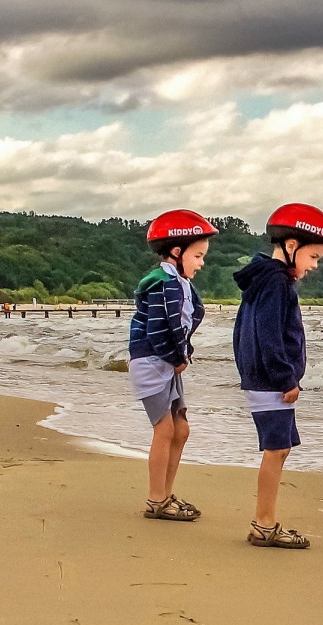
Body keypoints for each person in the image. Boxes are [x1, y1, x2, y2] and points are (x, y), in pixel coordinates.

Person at [233, 202, 323, 549]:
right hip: (271, 382)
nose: (314, 265)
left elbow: (243, 334)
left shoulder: (264, 280)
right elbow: (268, 335)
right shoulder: (276, 284)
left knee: (279, 449)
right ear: (291, 246)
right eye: (313, 256)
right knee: (276, 450)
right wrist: (285, 379)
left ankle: (264, 522)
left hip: (261, 378)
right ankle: (264, 524)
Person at [128, 209, 217, 522]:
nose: (201, 263)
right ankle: (156, 499)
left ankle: (165, 495)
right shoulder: (163, 284)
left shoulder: (180, 283)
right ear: (177, 252)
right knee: (165, 429)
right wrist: (178, 358)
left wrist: (184, 352)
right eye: (198, 255)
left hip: (165, 362)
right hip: (151, 362)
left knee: (181, 429)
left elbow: (186, 323)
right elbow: (157, 329)